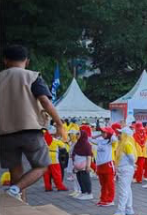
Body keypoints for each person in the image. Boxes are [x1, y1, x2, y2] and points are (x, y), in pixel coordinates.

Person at [0, 44, 69, 201]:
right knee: (42, 166)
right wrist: (58, 123)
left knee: (15, 169)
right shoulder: (32, 76)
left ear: (5, 60)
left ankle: (19, 202)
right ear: (27, 61)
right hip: (29, 130)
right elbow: (44, 101)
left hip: (4, 134)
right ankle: (16, 189)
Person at [71, 125, 94, 200]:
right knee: (79, 178)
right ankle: (83, 192)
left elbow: (89, 156)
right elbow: (74, 153)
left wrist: (88, 166)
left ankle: (89, 193)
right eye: (77, 134)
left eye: (78, 134)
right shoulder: (77, 144)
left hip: (84, 165)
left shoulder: (87, 144)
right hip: (77, 165)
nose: (76, 135)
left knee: (85, 178)